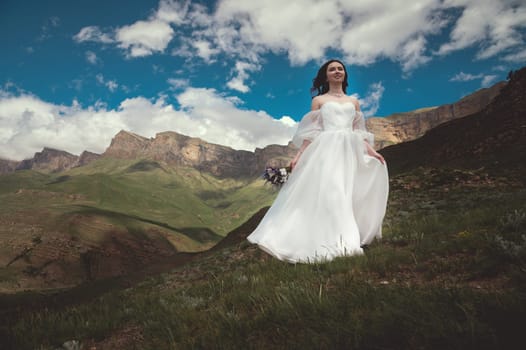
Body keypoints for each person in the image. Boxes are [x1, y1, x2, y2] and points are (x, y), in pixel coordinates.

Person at [247, 59, 389, 263]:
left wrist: (372, 152)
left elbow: (359, 132)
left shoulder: (354, 102)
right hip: (326, 150)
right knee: (333, 191)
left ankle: (346, 237)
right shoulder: (319, 101)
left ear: (345, 74)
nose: (337, 71)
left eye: (340, 69)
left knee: (347, 192)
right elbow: (312, 133)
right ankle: (338, 242)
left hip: (350, 151)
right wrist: (298, 156)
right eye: (332, 69)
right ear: (326, 75)